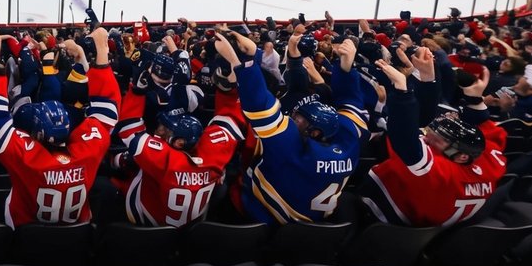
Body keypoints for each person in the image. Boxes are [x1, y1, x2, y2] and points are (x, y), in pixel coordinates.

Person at [0, 26, 119, 226]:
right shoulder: (89, 150)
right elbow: (107, 113)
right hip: (76, 240)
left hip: (24, 235)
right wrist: (102, 51)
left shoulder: (27, 157)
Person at [230, 30, 368, 223]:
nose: (293, 117)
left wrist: (248, 62)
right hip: (315, 228)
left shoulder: (289, 148)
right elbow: (352, 104)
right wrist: (346, 69)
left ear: (315, 132)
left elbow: (258, 105)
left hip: (265, 219)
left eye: (300, 118)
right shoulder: (349, 145)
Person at [364, 48, 507, 226]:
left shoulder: (439, 172)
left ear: (461, 156)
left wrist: (402, 91)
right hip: (440, 218)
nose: (432, 135)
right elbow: (488, 132)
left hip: (395, 216)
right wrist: (474, 99)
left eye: (442, 138)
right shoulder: (489, 163)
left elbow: (404, 138)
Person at [115, 33, 245, 227]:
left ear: (179, 142)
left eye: (165, 130)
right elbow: (231, 119)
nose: (160, 131)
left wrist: (137, 91)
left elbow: (128, 129)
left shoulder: (160, 157)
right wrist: (230, 89)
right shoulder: (212, 156)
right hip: (194, 233)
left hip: (148, 227)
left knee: (122, 166)